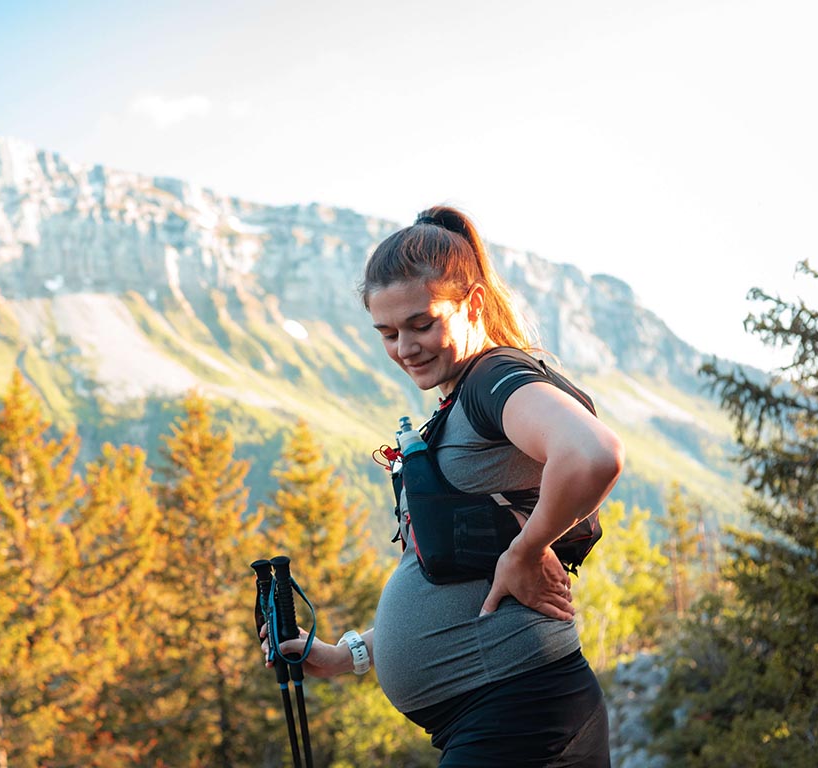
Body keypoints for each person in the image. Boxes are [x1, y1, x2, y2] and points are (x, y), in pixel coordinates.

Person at [262, 205, 625, 766]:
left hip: (521, 714)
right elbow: (458, 575)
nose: (404, 348)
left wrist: (527, 553)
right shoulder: (462, 398)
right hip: (504, 715)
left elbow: (593, 453)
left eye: (421, 324)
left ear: (472, 303)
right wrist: (348, 657)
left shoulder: (495, 379)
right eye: (387, 332)